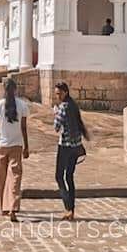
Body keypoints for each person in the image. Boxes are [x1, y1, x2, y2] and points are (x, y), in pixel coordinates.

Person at [0, 78, 30, 221]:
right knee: (15, 177)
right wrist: (26, 146)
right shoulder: (23, 105)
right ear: (15, 89)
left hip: (1, 145)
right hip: (17, 145)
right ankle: (13, 206)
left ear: (4, 90)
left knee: (0, 177)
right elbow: (24, 128)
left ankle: (2, 208)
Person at [52, 82, 88, 221]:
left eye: (59, 93)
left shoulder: (62, 107)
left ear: (65, 92)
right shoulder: (73, 105)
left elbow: (56, 127)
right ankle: (71, 210)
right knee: (70, 177)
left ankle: (68, 207)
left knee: (59, 176)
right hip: (76, 146)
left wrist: (55, 113)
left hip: (65, 146)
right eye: (56, 93)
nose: (58, 96)